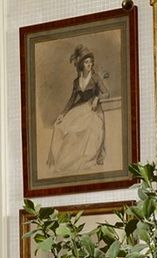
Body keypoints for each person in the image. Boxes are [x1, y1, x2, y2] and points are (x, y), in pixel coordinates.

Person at [46, 45, 110, 175]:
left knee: (79, 130)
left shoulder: (95, 77)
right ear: (81, 64)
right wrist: (62, 114)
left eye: (91, 62)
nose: (89, 64)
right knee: (60, 127)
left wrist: (97, 98)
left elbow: (107, 93)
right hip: (80, 109)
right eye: (86, 62)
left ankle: (81, 159)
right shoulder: (76, 82)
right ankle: (63, 160)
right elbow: (71, 100)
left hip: (93, 110)